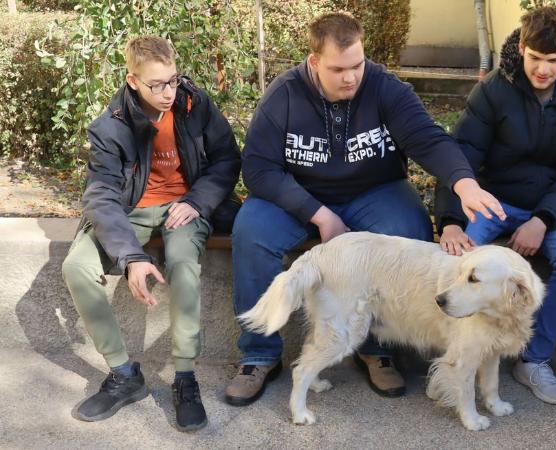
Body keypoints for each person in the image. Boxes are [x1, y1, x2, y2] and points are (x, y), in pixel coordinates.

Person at [226, 11, 504, 405]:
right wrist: (319, 214)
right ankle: (258, 355)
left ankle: (376, 348)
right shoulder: (284, 94)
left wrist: (464, 182)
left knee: (410, 230)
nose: (351, 77)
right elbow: (257, 168)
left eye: (357, 65)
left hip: (374, 191)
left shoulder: (385, 88)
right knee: (250, 232)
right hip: (296, 196)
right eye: (338, 69)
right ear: (314, 63)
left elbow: (427, 139)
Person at [61, 35, 241, 431]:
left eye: (173, 80)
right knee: (75, 267)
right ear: (132, 81)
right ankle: (125, 376)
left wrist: (197, 201)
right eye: (156, 84)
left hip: (186, 206)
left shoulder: (195, 105)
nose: (167, 92)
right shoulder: (111, 126)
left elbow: (228, 159)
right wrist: (132, 258)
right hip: (131, 213)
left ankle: (185, 377)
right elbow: (102, 197)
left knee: (182, 262)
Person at [434, 6, 556, 405]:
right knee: (460, 259)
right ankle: (462, 354)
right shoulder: (493, 88)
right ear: (522, 48)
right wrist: (452, 220)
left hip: (552, 204)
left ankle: (534, 359)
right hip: (495, 198)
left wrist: (543, 220)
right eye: (536, 59)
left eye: (554, 61)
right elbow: (462, 156)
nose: (544, 70)